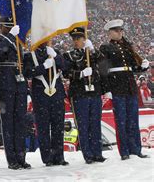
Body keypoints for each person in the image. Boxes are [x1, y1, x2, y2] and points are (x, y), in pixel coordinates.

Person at [99, 19, 150, 160]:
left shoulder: (127, 47)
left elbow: (133, 67)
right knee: (121, 120)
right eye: (116, 30)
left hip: (130, 86)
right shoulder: (105, 48)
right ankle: (125, 151)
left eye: (121, 30)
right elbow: (103, 71)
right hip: (116, 86)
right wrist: (106, 89)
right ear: (110, 33)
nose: (120, 33)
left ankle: (136, 149)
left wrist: (142, 67)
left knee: (133, 119)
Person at [0, 17, 31, 170]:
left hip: (19, 83)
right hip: (4, 83)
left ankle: (21, 157)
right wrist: (11, 37)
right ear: (2, 28)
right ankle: (12, 159)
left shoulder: (18, 43)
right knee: (8, 122)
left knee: (20, 121)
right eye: (7, 27)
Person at [63, 27, 106, 164]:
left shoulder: (92, 53)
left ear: (84, 39)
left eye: (79, 39)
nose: (76, 42)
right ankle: (87, 154)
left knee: (95, 124)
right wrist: (80, 74)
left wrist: (93, 50)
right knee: (83, 125)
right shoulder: (69, 55)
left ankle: (97, 153)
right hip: (79, 93)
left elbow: (103, 64)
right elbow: (66, 72)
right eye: (74, 39)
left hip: (94, 92)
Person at [24, 41, 68, 166]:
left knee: (58, 127)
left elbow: (65, 67)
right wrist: (43, 67)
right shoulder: (29, 55)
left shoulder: (55, 52)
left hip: (57, 94)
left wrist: (55, 56)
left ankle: (59, 156)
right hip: (40, 95)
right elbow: (27, 73)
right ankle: (47, 157)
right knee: (43, 128)